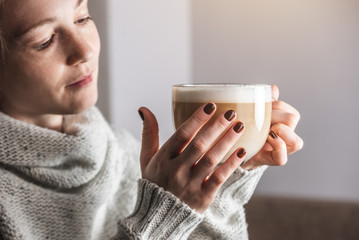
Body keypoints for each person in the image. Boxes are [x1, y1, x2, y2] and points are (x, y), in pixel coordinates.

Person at [0, 0, 303, 239]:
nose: (85, 50)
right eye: (44, 40)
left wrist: (219, 184)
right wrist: (161, 218)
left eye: (82, 18)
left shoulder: (121, 150)